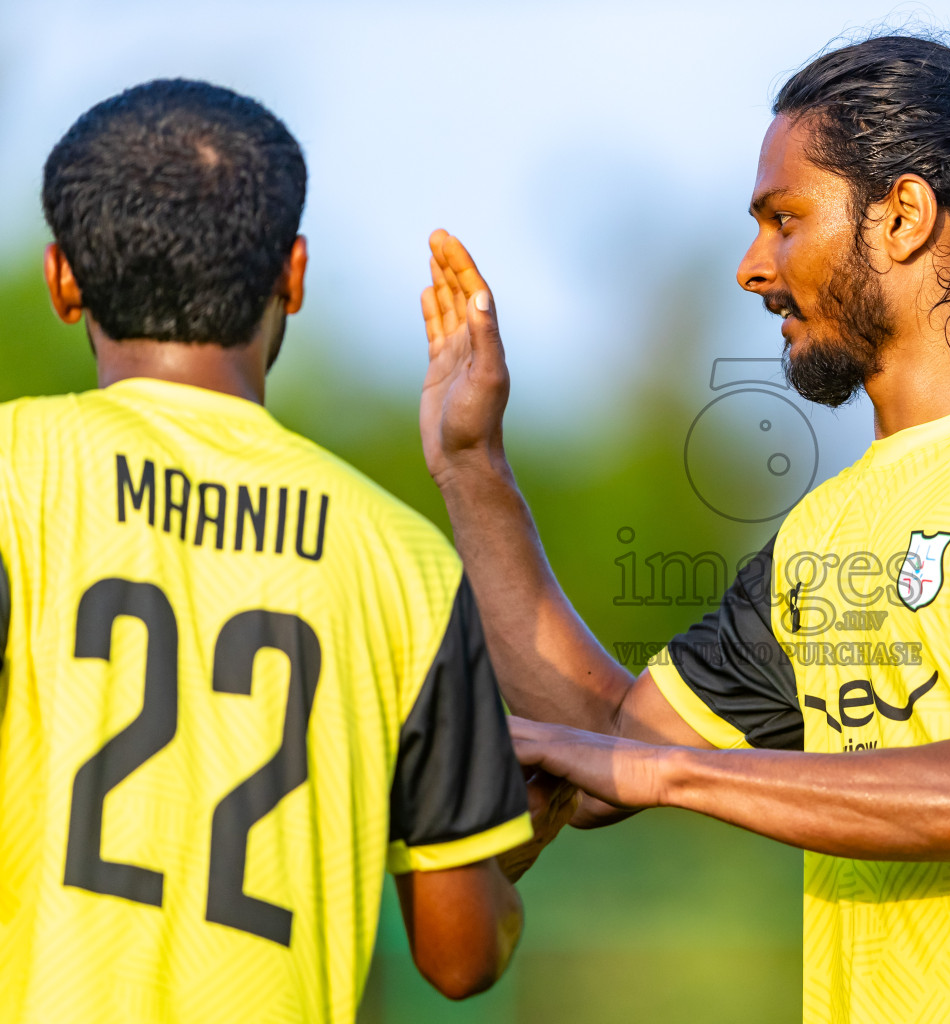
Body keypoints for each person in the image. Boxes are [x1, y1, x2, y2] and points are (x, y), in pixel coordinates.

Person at [420, 34, 950, 1024]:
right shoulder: (827, 529)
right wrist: (473, 466)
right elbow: (608, 747)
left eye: (785, 219)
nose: (753, 267)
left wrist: (661, 772)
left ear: (905, 217)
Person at [0, 79, 570, 1023]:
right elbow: (462, 954)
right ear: (293, 274)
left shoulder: (17, 473)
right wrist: (504, 851)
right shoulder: (404, 559)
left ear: (63, 279)